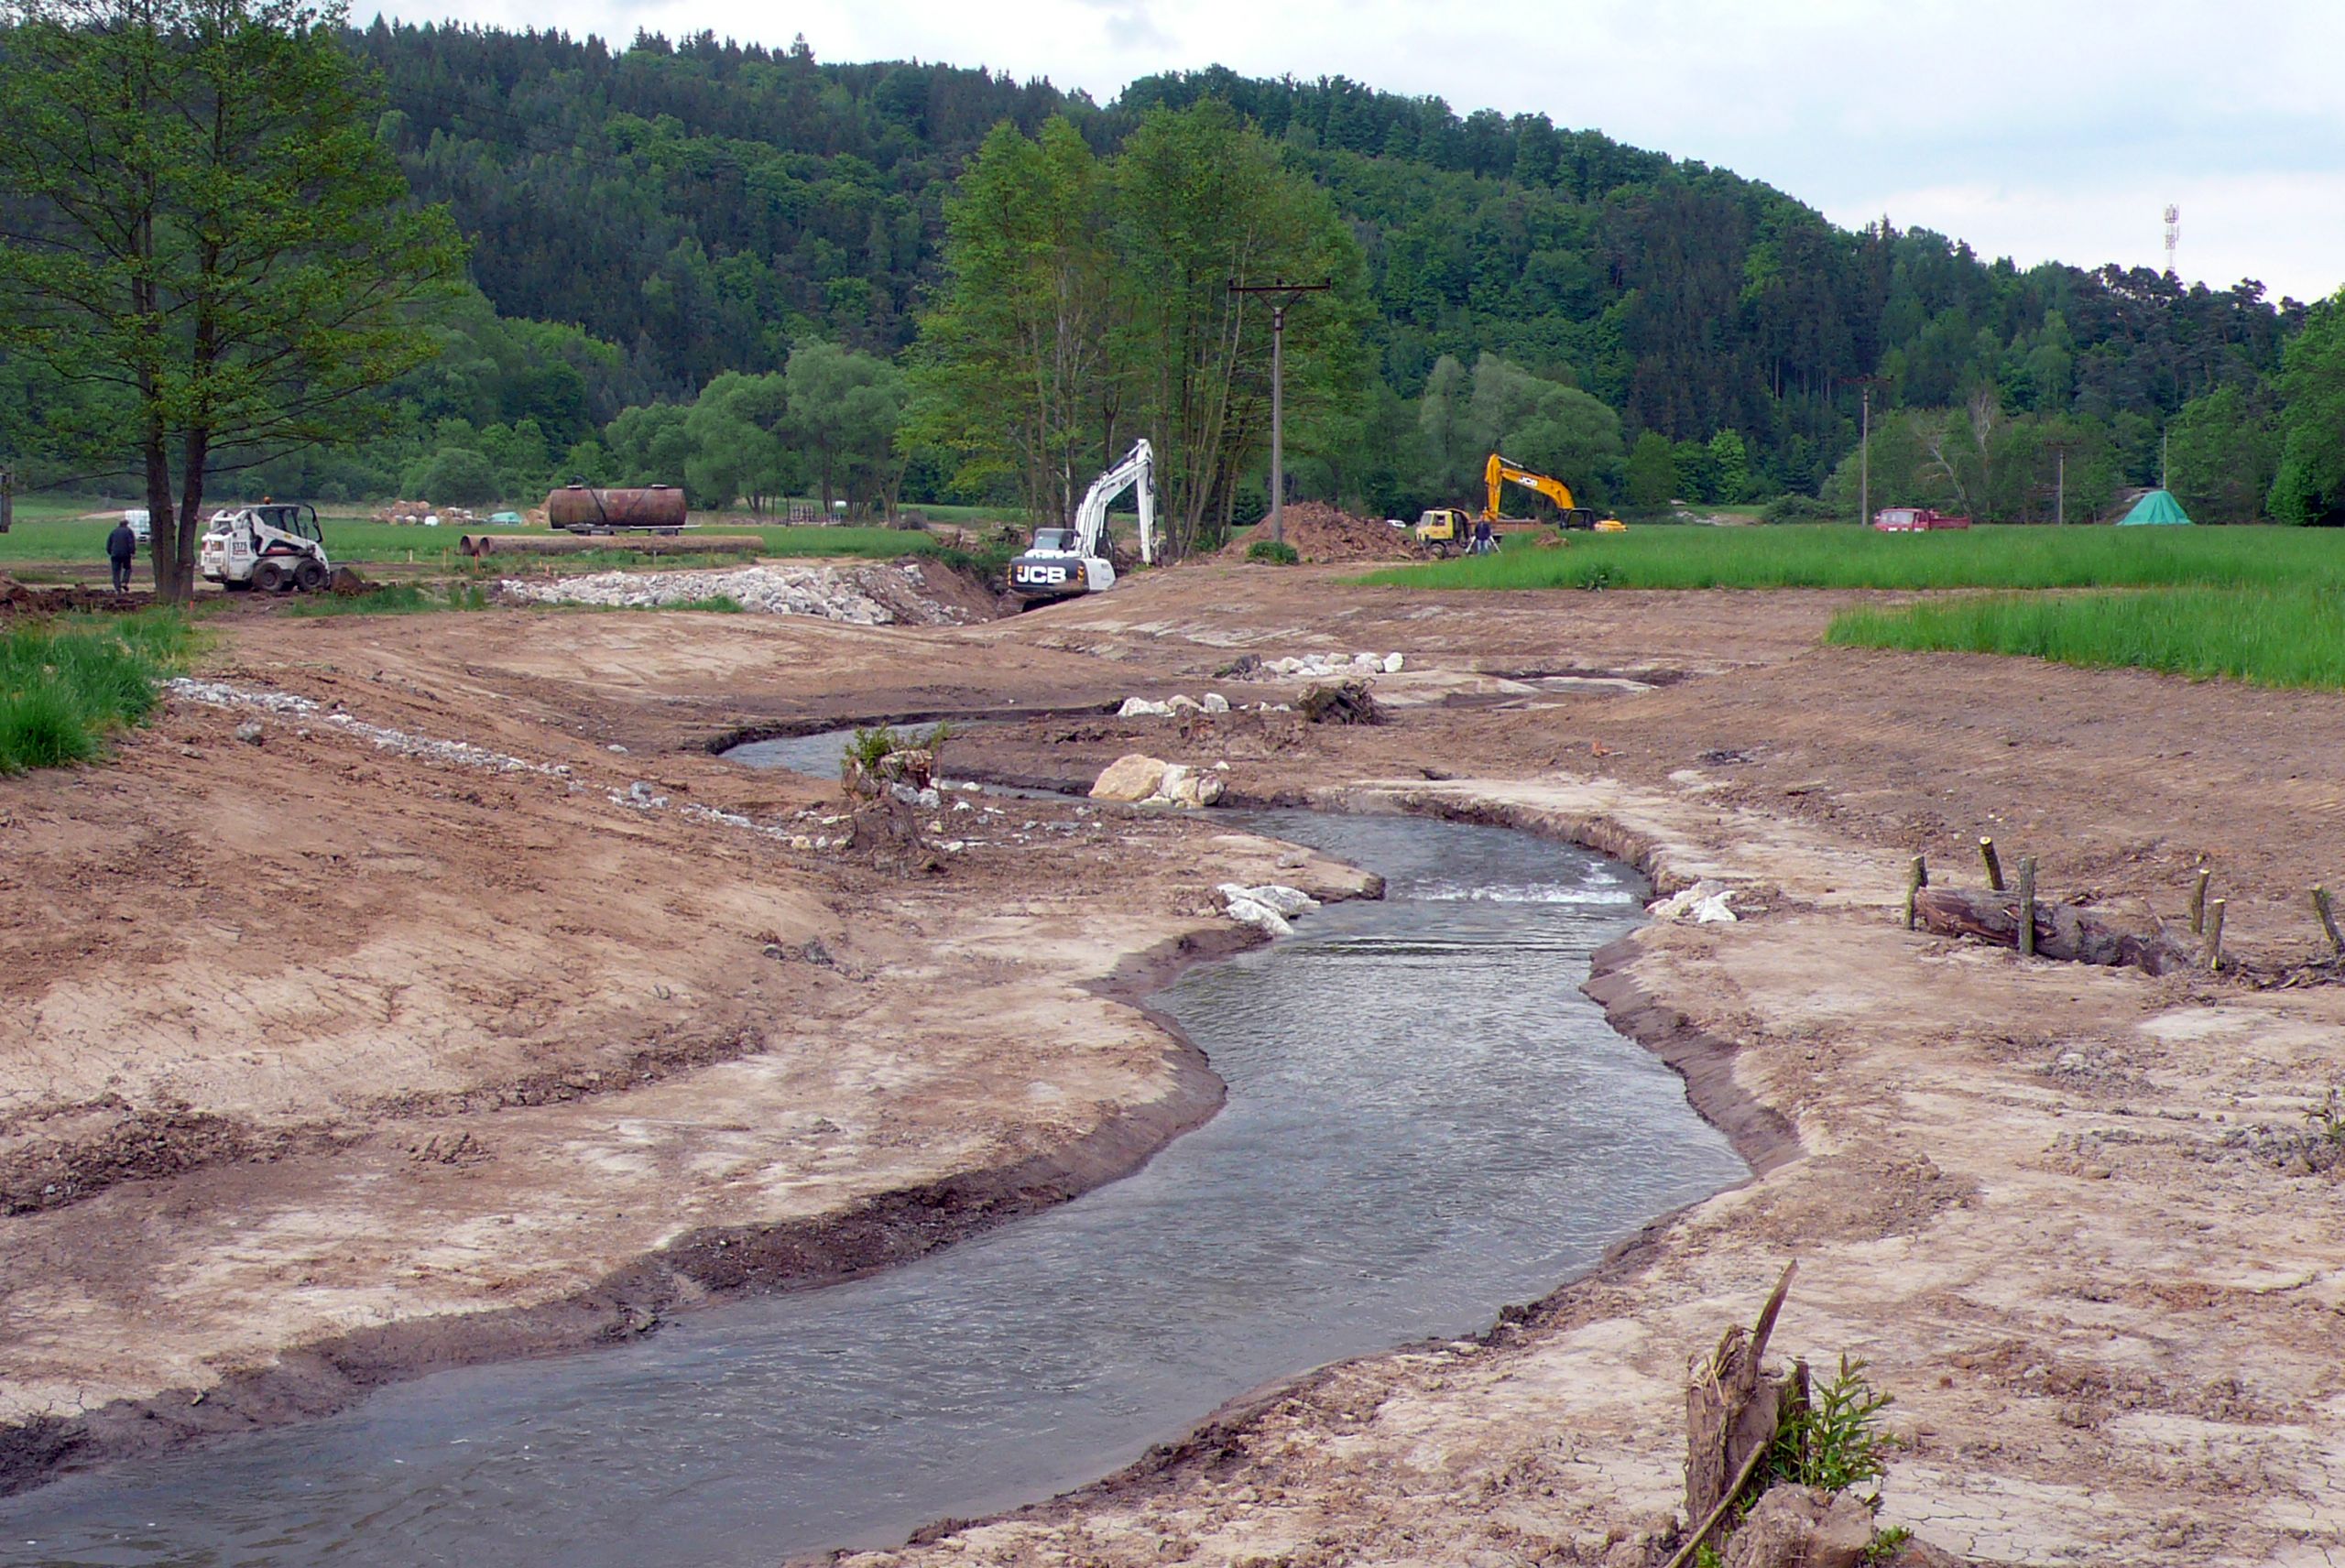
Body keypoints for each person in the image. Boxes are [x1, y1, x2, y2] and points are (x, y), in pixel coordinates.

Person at [105, 517, 137, 592]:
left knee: (116, 572)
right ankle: (124, 582)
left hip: (115, 554)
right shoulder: (129, 531)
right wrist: (132, 552)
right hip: (125, 554)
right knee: (127, 568)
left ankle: (117, 588)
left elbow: (108, 544)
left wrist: (111, 552)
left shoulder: (113, 532)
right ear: (127, 524)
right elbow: (131, 543)